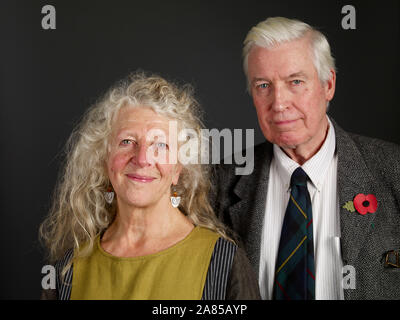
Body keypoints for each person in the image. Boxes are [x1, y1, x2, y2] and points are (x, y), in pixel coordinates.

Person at [212, 17, 400, 300]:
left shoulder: (392, 169)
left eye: (295, 81)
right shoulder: (219, 183)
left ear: (328, 85)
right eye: (263, 85)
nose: (279, 103)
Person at [39, 72, 260, 300]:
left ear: (178, 168)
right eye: (127, 142)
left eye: (160, 145)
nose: (142, 158)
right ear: (104, 159)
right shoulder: (66, 271)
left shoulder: (224, 263)